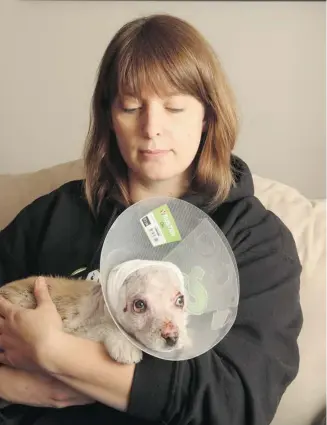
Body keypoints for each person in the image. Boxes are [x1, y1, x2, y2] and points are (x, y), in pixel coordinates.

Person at [0, 13, 302, 425]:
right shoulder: (56, 214)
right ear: (109, 116)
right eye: (131, 106)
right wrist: (15, 388)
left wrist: (57, 355)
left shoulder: (255, 239)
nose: (152, 128)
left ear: (207, 115)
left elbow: (234, 405)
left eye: (175, 107)